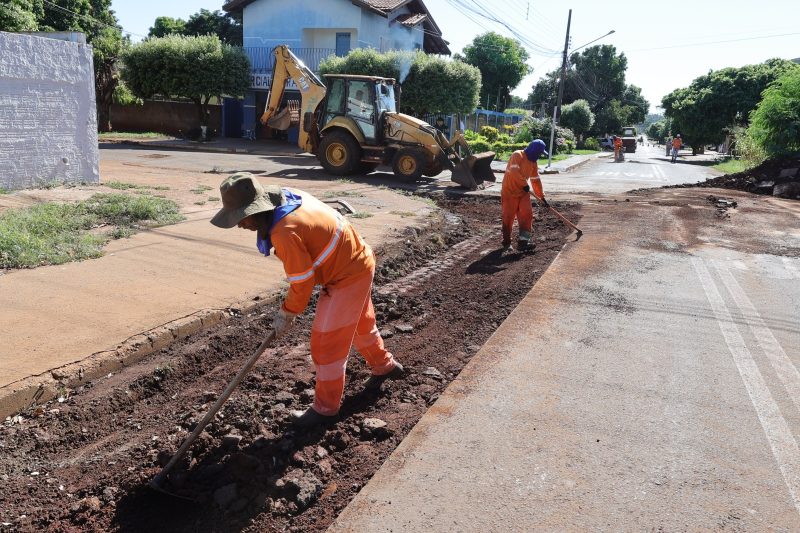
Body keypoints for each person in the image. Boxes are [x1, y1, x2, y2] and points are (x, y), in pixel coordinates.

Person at [210, 173, 404, 428]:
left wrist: (287, 313)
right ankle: (385, 366)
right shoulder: (286, 197)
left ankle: (325, 409)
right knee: (360, 325)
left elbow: (302, 283)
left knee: (326, 343)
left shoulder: (284, 232)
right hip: (357, 258)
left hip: (347, 274)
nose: (239, 225)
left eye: (241, 218)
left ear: (257, 210)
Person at [500, 139, 549, 251]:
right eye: (538, 153)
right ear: (533, 150)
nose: (539, 156)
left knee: (527, 214)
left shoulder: (533, 162)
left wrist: (541, 197)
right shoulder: (517, 155)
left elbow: (535, 179)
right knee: (508, 217)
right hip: (509, 192)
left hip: (523, 192)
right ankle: (507, 243)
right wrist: (524, 184)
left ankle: (524, 241)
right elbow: (514, 172)